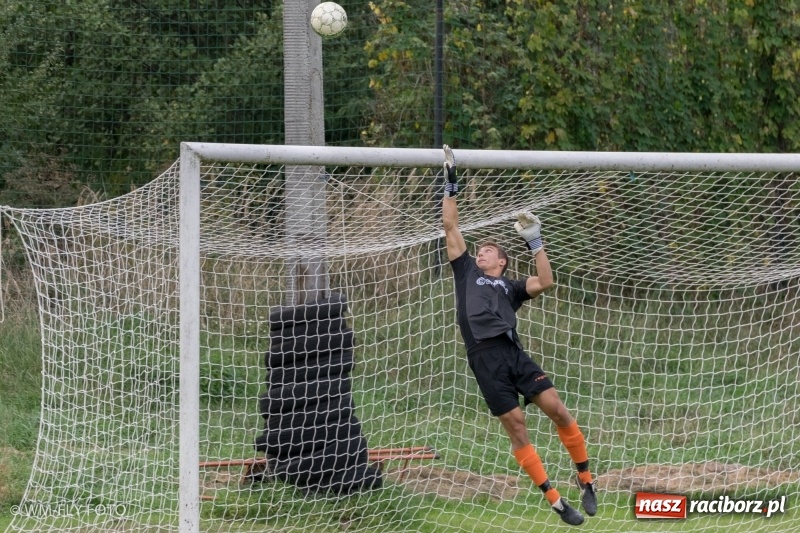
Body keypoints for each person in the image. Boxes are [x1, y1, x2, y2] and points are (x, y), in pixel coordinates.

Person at [440, 145, 597, 526]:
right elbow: (451, 227)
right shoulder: (465, 273)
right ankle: (557, 502)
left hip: (514, 353)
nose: (481, 253)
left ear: (502, 261)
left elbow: (546, 280)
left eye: (489, 250)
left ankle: (586, 479)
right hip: (484, 359)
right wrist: (449, 183)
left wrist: (536, 240)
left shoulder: (510, 287)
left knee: (557, 409)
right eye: (480, 251)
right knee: (517, 427)